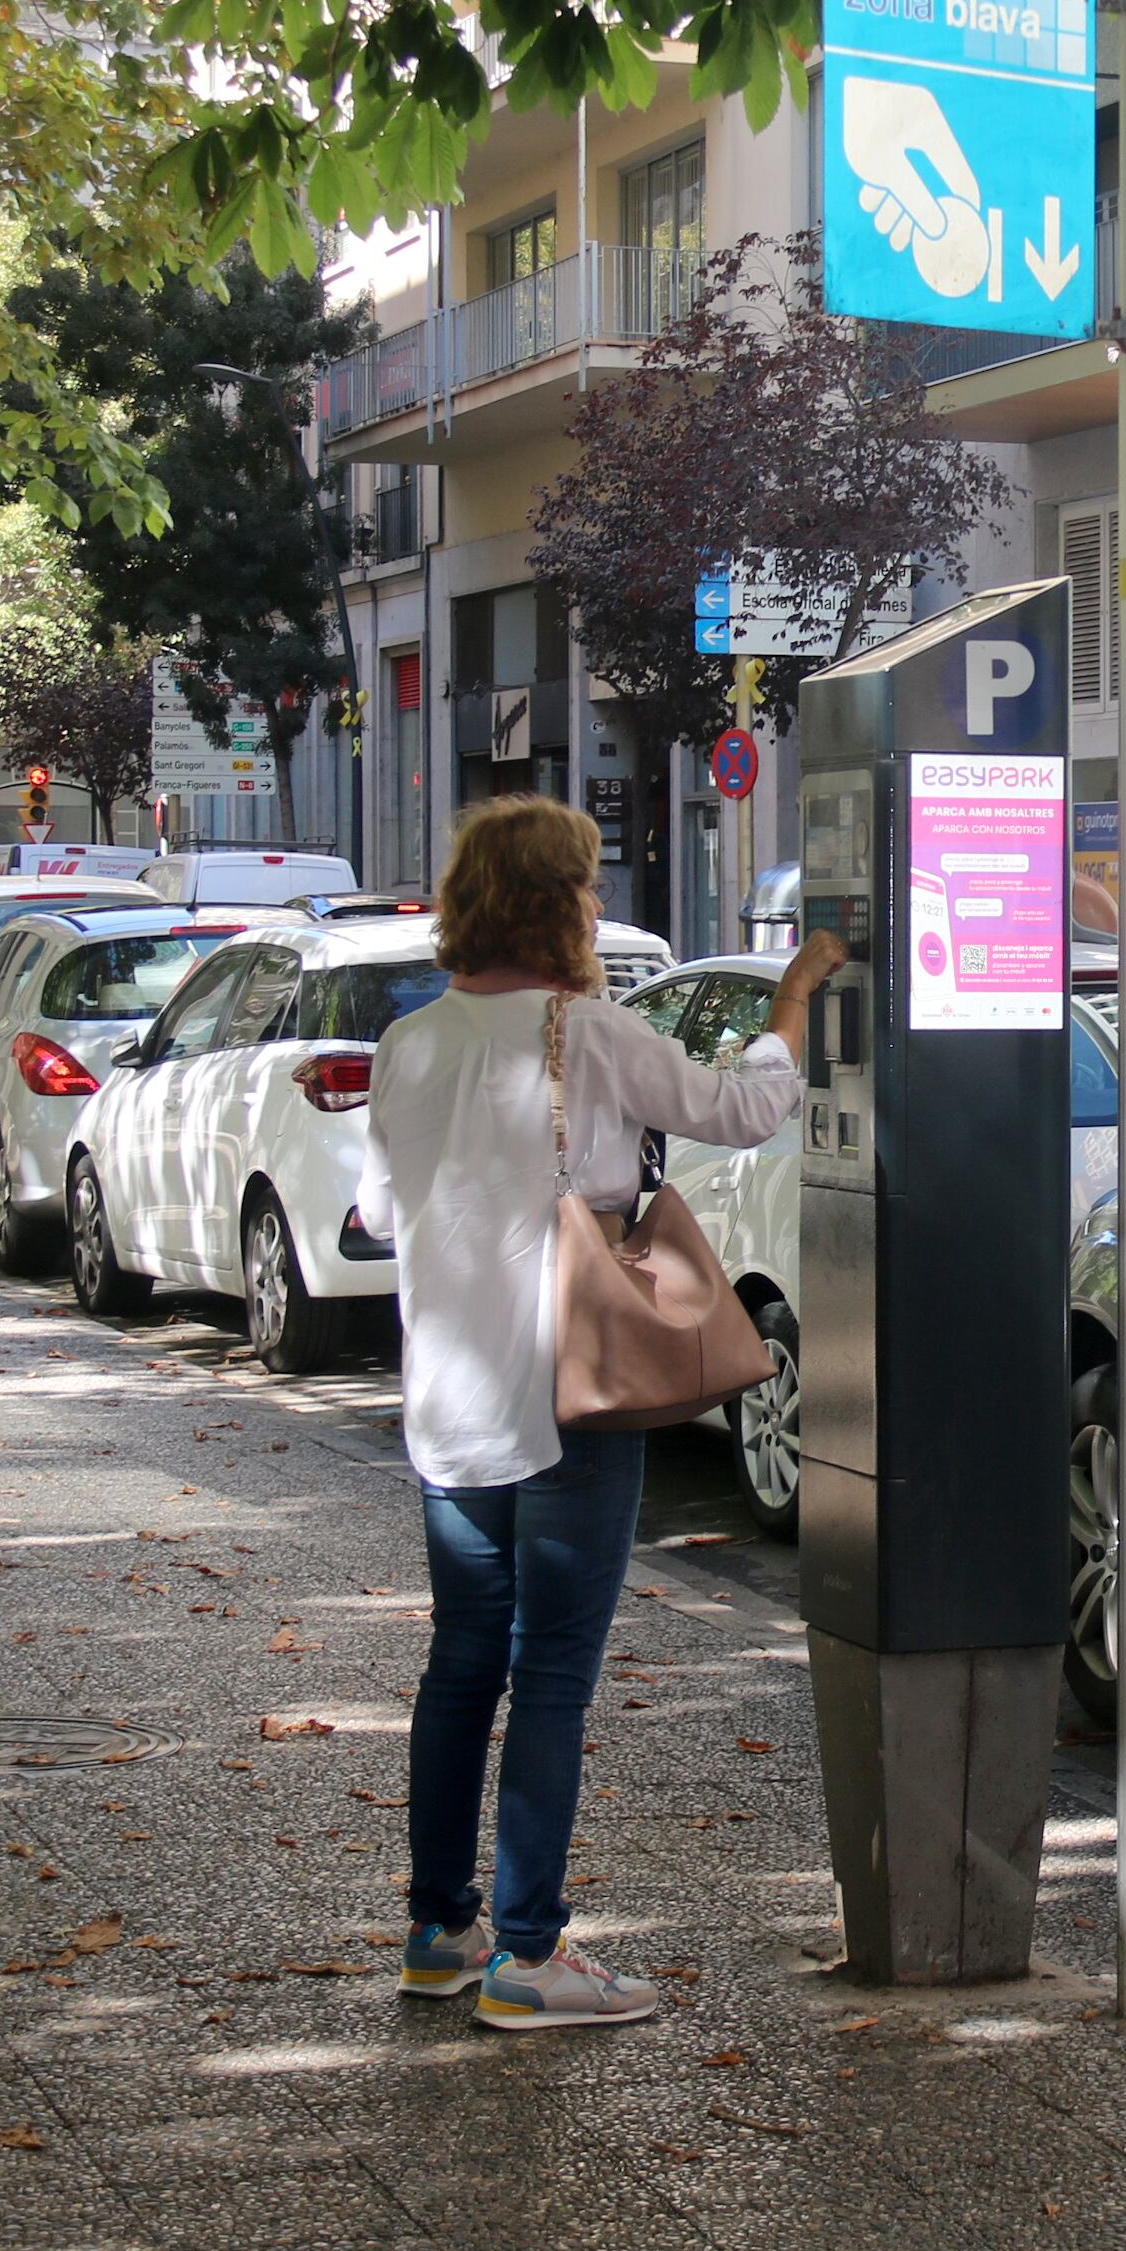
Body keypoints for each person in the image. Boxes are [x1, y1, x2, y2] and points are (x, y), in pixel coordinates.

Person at [356, 796, 844, 2028]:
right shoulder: (592, 1031)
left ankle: (438, 1928)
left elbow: (373, 1216)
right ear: (553, 903)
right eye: (581, 886)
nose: (592, 903)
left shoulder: (410, 1044)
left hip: (451, 1403)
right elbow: (740, 1110)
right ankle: (531, 1954)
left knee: (462, 1665)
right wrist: (792, 1000)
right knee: (554, 1673)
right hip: (574, 1392)